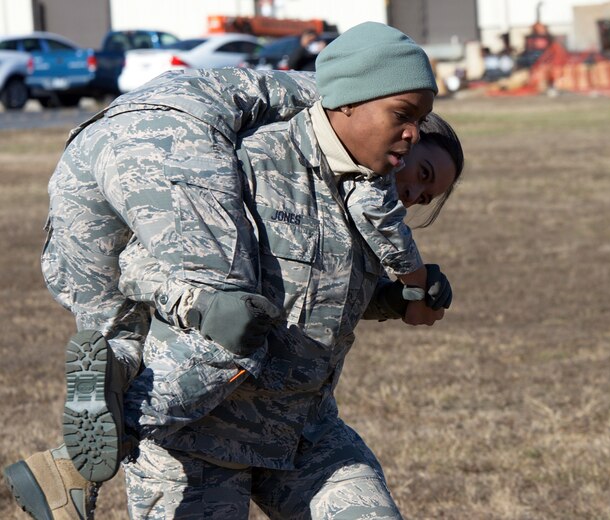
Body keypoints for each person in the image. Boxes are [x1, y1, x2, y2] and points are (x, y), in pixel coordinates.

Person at [4, 22, 463, 519]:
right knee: (227, 310)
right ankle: (90, 434)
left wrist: (394, 300)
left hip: (305, 436)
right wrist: (201, 303)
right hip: (194, 443)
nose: (414, 191)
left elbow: (320, 287)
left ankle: (79, 447)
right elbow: (138, 265)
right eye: (421, 170)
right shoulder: (250, 159)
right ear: (352, 100)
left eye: (428, 196)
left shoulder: (371, 204)